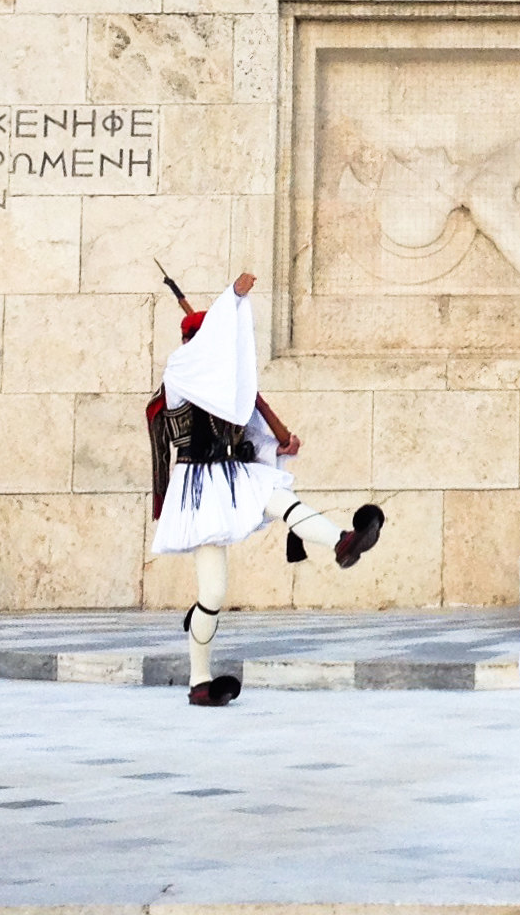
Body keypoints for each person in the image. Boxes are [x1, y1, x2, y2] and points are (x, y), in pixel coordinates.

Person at [149, 272, 386, 707]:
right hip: (198, 487)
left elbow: (248, 426)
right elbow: (210, 372)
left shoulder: (224, 381)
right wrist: (232, 299)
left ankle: (343, 542)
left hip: (233, 475)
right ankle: (199, 681)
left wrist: (276, 443)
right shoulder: (180, 371)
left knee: (281, 498)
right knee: (213, 593)